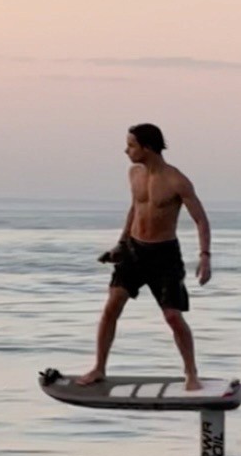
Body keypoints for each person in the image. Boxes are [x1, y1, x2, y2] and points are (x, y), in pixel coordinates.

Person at [78, 124, 212, 390]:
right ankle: (99, 368)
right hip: (133, 251)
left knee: (173, 316)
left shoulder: (177, 181)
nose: (126, 150)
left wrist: (205, 256)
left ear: (147, 147)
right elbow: (135, 210)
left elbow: (200, 220)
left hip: (164, 256)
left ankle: (191, 373)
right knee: (111, 307)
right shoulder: (134, 174)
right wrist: (120, 244)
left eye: (131, 145)